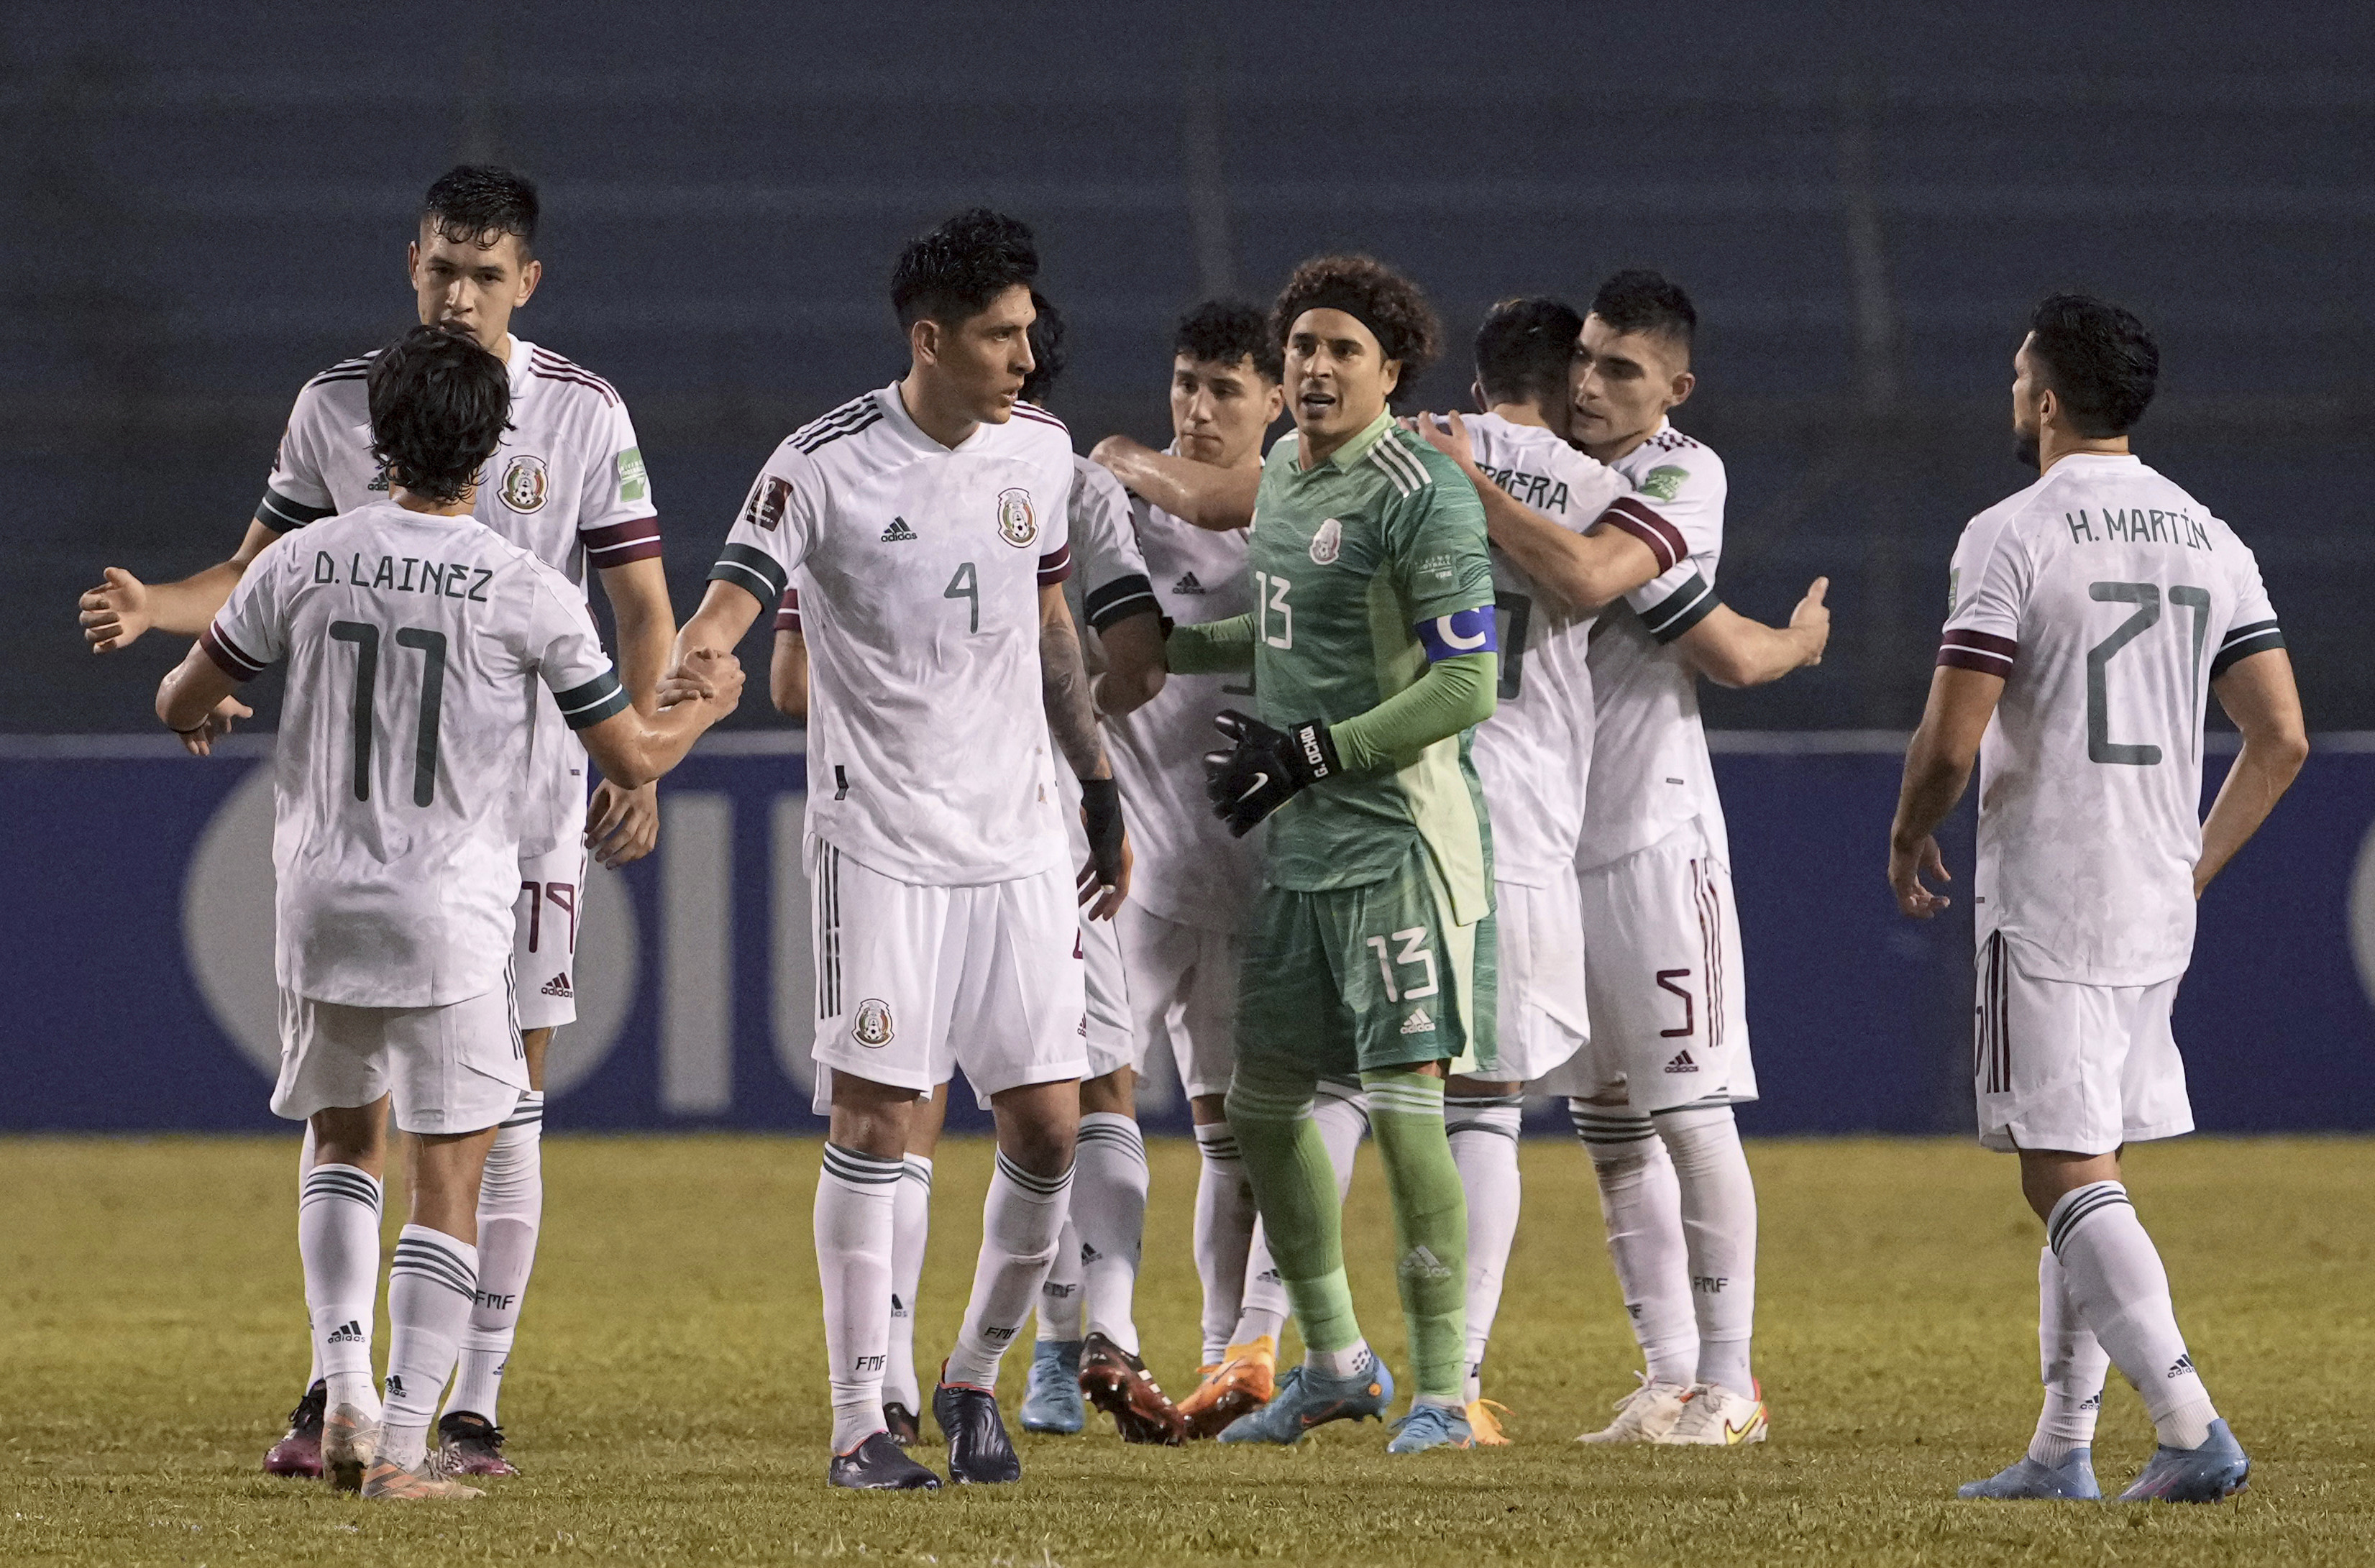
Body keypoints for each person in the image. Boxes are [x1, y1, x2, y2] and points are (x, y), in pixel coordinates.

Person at [80, 165, 673, 1480]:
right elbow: (247, 570)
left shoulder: (584, 412)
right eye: (442, 270)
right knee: (450, 1127)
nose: (460, 295)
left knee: (462, 1116)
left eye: (486, 273)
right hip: (451, 839)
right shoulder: (339, 407)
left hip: (518, 815)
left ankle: (465, 1403)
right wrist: (163, 604)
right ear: (412, 262)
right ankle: (371, 1397)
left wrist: (625, 767)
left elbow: (642, 598)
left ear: (527, 279)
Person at [152, 326, 738, 1500]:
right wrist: (705, 710)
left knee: (339, 1140)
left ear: (377, 438)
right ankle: (409, 1448)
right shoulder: (526, 590)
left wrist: (198, 708)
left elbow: (184, 691)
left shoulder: (306, 560)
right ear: (489, 451)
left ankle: (346, 1390)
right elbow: (629, 747)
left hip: (318, 900)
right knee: (450, 1173)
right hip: (448, 912)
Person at [669, 208, 1127, 1490]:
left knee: (1049, 1127)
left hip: (1023, 844)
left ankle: (972, 1374)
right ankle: (855, 1423)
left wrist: (1097, 786)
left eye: (1029, 333)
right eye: (999, 336)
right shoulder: (820, 466)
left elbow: (1050, 628)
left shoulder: (1037, 450)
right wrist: (695, 660)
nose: (1026, 360)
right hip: (879, 842)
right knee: (881, 1121)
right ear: (929, 338)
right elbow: (728, 608)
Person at [1890, 294, 2304, 1504]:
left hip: (2052, 886)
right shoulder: (2209, 534)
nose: (2014, 395)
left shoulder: (2013, 532)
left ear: (2049, 398)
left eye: (2021, 376)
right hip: (2152, 895)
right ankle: (2063, 1445)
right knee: (2090, 1155)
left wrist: (1911, 828)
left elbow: (1954, 736)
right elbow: (2278, 738)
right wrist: (2190, 864)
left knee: (2058, 1169)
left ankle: (2188, 1423)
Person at [1414, 270, 1829, 1445]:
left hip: (1652, 831)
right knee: (1607, 1123)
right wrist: (1784, 645)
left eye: (1622, 371)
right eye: (1587, 361)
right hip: (1551, 835)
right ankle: (1668, 1373)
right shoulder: (1574, 476)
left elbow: (1592, 579)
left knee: (1692, 1110)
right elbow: (1725, 643)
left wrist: (1474, 483)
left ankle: (1733, 1383)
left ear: (1675, 388)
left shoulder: (1677, 476)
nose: (1593, 385)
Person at [1168, 254, 1496, 1455]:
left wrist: (1316, 750)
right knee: (1261, 1110)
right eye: (1301, 346)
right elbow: (1281, 620)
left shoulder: (1423, 490)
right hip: (1299, 847)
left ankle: (1446, 1389)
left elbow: (1470, 681)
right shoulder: (1284, 488)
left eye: (1341, 349)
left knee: (1409, 1115)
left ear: (1392, 370)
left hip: (1400, 844)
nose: (1314, 366)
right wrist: (1173, 648)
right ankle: (1337, 1360)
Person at [1094, 301, 1370, 1440]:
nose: (1198, 409)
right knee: (1079, 1097)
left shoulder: (1304, 505)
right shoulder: (1115, 509)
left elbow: (1211, 507)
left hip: (1285, 871)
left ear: (1273, 403)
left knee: (1263, 1132)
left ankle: (1249, 1346)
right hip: (1146, 872)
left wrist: (1120, 455)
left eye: (1223, 389)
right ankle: (1086, 1343)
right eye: (1183, 383)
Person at [1408, 298, 1627, 1443]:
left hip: (1391, 806)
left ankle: (1270, 1345)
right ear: (1573, 376)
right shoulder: (1595, 490)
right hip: (1515, 815)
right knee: (1485, 1107)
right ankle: (1448, 1387)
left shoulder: (1405, 447)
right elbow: (1651, 606)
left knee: (1361, 1093)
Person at [1002, 298, 1187, 1446]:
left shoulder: (871, 462)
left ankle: (1035, 1364)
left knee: (952, 1113)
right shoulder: (1077, 480)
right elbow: (1140, 661)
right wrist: (1073, 739)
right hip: (1059, 824)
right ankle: (1087, 1342)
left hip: (935, 822)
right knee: (1100, 1088)